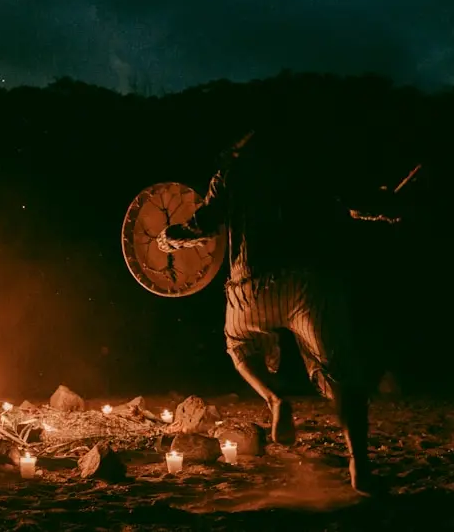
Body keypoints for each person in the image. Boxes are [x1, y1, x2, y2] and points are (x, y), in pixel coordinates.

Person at [157, 127, 399, 495]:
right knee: (342, 375)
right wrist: (385, 209)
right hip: (309, 282)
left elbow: (204, 225)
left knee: (238, 344)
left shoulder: (231, 173)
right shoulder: (315, 162)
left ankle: (274, 398)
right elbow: (358, 204)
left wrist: (168, 238)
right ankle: (359, 465)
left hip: (252, 287)